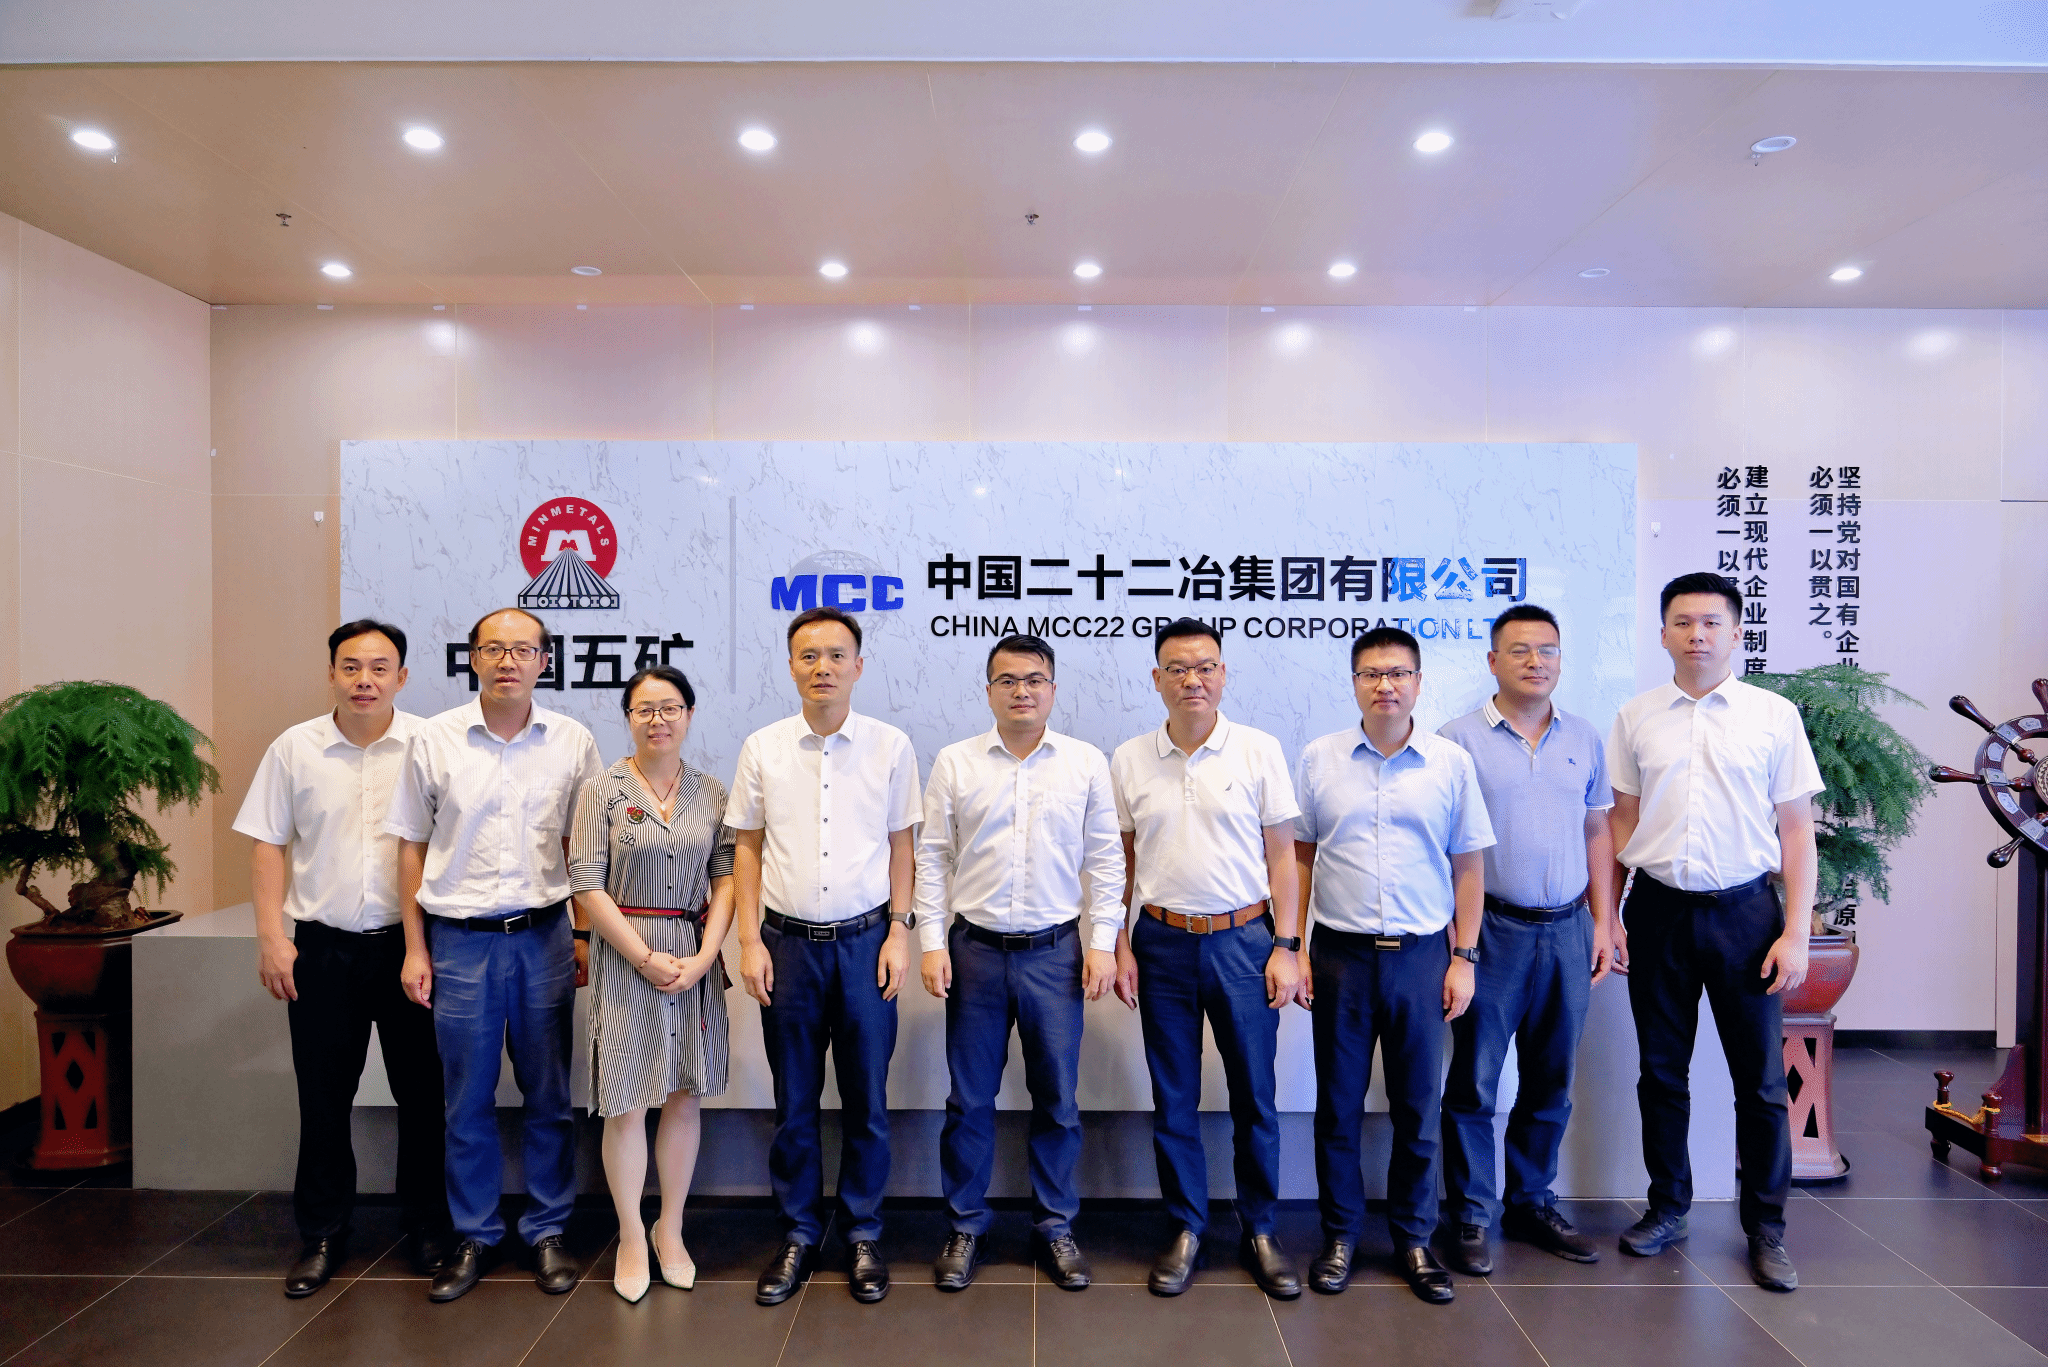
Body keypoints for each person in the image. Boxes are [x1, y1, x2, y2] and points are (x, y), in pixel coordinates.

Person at [1607, 572, 1821, 1293]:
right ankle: (1668, 1206)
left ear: (1736, 633)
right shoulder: (1637, 716)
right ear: (1663, 633)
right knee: (1661, 1072)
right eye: (1683, 622)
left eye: (1710, 622)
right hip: (1658, 910)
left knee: (1758, 1081)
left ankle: (1767, 1228)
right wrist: (1611, 915)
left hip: (1746, 916)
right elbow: (1621, 820)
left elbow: (1797, 831)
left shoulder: (1773, 716)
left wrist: (1796, 931)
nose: (1696, 634)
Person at [385, 608, 603, 1303]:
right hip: (459, 942)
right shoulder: (434, 739)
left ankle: (547, 1229)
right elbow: (411, 846)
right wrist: (414, 947)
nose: (508, 660)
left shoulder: (572, 741)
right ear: (473, 658)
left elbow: (584, 848)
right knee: (466, 1100)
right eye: (494, 649)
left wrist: (581, 933)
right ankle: (474, 1233)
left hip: (544, 938)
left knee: (549, 1094)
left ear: (545, 660)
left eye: (523, 649)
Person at [233, 620, 450, 1299]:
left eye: (380, 668)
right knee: (324, 1099)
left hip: (412, 948)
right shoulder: (294, 749)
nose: (365, 680)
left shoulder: (429, 745)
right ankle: (323, 1234)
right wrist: (273, 936)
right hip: (322, 948)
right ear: (331, 672)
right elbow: (267, 843)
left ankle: (428, 1226)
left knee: (425, 1095)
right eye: (351, 666)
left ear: (402, 677)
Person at [916, 635, 1124, 1294]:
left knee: (1057, 1099)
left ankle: (1055, 1224)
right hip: (974, 952)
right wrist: (930, 941)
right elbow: (932, 855)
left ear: (1053, 689)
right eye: (1007, 680)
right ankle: (965, 1225)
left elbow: (1106, 858)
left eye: (1034, 679)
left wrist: (1102, 942)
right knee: (968, 1100)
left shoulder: (1085, 763)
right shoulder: (956, 762)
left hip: (1056, 954)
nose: (1021, 691)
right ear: (989, 692)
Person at [1293, 626, 1493, 1304]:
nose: (1386, 685)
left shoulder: (1449, 763)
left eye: (1399, 673)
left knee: (1417, 1108)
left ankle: (1414, 1238)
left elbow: (1469, 866)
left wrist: (1464, 957)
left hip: (1422, 956)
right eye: (1372, 673)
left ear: (1418, 681)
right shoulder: (1319, 758)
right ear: (1354, 682)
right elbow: (1298, 857)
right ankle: (1340, 1236)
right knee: (1337, 1107)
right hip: (1340, 956)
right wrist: (1293, 946)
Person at [728, 606, 921, 1306]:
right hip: (787, 946)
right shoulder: (763, 747)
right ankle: (799, 1232)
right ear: (791, 666)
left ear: (858, 666)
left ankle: (863, 1232)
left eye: (837, 655)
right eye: (809, 655)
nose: (823, 668)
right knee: (795, 1101)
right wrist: (749, 939)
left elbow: (903, 847)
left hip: (867, 943)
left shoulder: (891, 746)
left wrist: (900, 931)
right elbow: (747, 848)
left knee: (867, 1098)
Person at [1109, 617, 1304, 1301]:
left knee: (1255, 1094)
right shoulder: (1130, 758)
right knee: (1174, 1096)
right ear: (1156, 678)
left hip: (1245, 941)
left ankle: (1261, 1229)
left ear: (1223, 674)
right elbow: (1121, 861)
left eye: (1205, 666)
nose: (1192, 679)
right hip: (1161, 942)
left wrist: (1287, 946)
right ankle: (1186, 1226)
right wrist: (1117, 940)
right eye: (1177, 668)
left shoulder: (1258, 750)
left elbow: (1283, 857)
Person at [1437, 605, 1616, 1277]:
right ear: (1492, 661)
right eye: (1519, 650)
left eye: (1547, 650)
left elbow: (1597, 831)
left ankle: (1532, 1202)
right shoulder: (1456, 740)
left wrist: (1604, 920)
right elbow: (1442, 844)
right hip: (1492, 931)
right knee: (1475, 1080)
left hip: (1568, 928)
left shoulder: (1584, 737)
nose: (1535, 661)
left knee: (1551, 1078)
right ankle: (1471, 1212)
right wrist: (1457, 936)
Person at [569, 666, 736, 1302]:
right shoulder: (602, 790)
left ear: (689, 714)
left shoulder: (711, 792)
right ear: (629, 718)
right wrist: (641, 956)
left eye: (670, 708)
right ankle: (632, 1235)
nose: (657, 719)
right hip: (624, 956)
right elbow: (587, 883)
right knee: (626, 1101)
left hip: (693, 959)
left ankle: (671, 1228)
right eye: (644, 709)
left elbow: (727, 877)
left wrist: (705, 955)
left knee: (684, 1095)